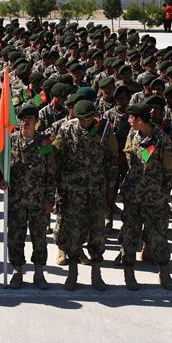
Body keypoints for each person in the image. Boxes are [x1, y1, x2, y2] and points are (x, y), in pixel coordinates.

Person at [52, 99, 120, 291]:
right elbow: (56, 156)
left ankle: (96, 274)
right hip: (73, 193)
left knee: (97, 234)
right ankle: (72, 273)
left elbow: (112, 160)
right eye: (82, 119)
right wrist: (59, 185)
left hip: (97, 192)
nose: (86, 123)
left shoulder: (105, 131)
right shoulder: (66, 130)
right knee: (73, 234)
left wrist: (111, 189)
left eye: (89, 119)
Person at [0, 102, 56, 289]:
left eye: (29, 119)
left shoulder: (44, 144)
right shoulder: (11, 141)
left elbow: (51, 173)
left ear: (37, 122)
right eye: (23, 119)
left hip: (38, 202)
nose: (25, 122)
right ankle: (17, 271)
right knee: (15, 237)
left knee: (39, 238)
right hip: (16, 201)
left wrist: (49, 199)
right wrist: (1, 180)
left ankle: (39, 272)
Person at [121, 102, 172, 290]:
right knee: (130, 235)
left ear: (139, 119)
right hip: (132, 196)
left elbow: (171, 169)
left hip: (154, 199)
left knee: (158, 237)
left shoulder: (162, 140)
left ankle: (164, 273)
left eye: (131, 118)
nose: (128, 121)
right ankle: (129, 273)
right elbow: (130, 160)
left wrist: (161, 191)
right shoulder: (132, 135)